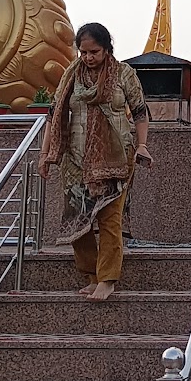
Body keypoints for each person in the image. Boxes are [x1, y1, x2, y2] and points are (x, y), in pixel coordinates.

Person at [38, 23, 152, 300]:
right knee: (78, 221)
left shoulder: (124, 74)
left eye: (95, 52)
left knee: (110, 219)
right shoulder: (70, 76)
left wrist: (143, 145)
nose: (89, 57)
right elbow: (54, 116)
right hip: (75, 162)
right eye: (83, 52)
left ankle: (108, 279)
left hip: (115, 160)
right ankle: (91, 274)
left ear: (107, 49)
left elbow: (140, 113)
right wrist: (44, 155)